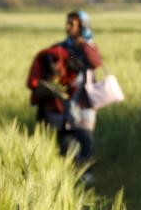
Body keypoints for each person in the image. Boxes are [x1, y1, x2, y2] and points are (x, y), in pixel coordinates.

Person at [27, 10, 103, 174]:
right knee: (65, 139)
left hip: (82, 100)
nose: (67, 27)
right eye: (67, 23)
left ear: (83, 26)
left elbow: (94, 63)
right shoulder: (60, 47)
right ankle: (71, 173)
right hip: (62, 101)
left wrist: (82, 45)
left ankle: (86, 174)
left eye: (72, 24)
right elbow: (50, 62)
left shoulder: (88, 47)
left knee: (85, 137)